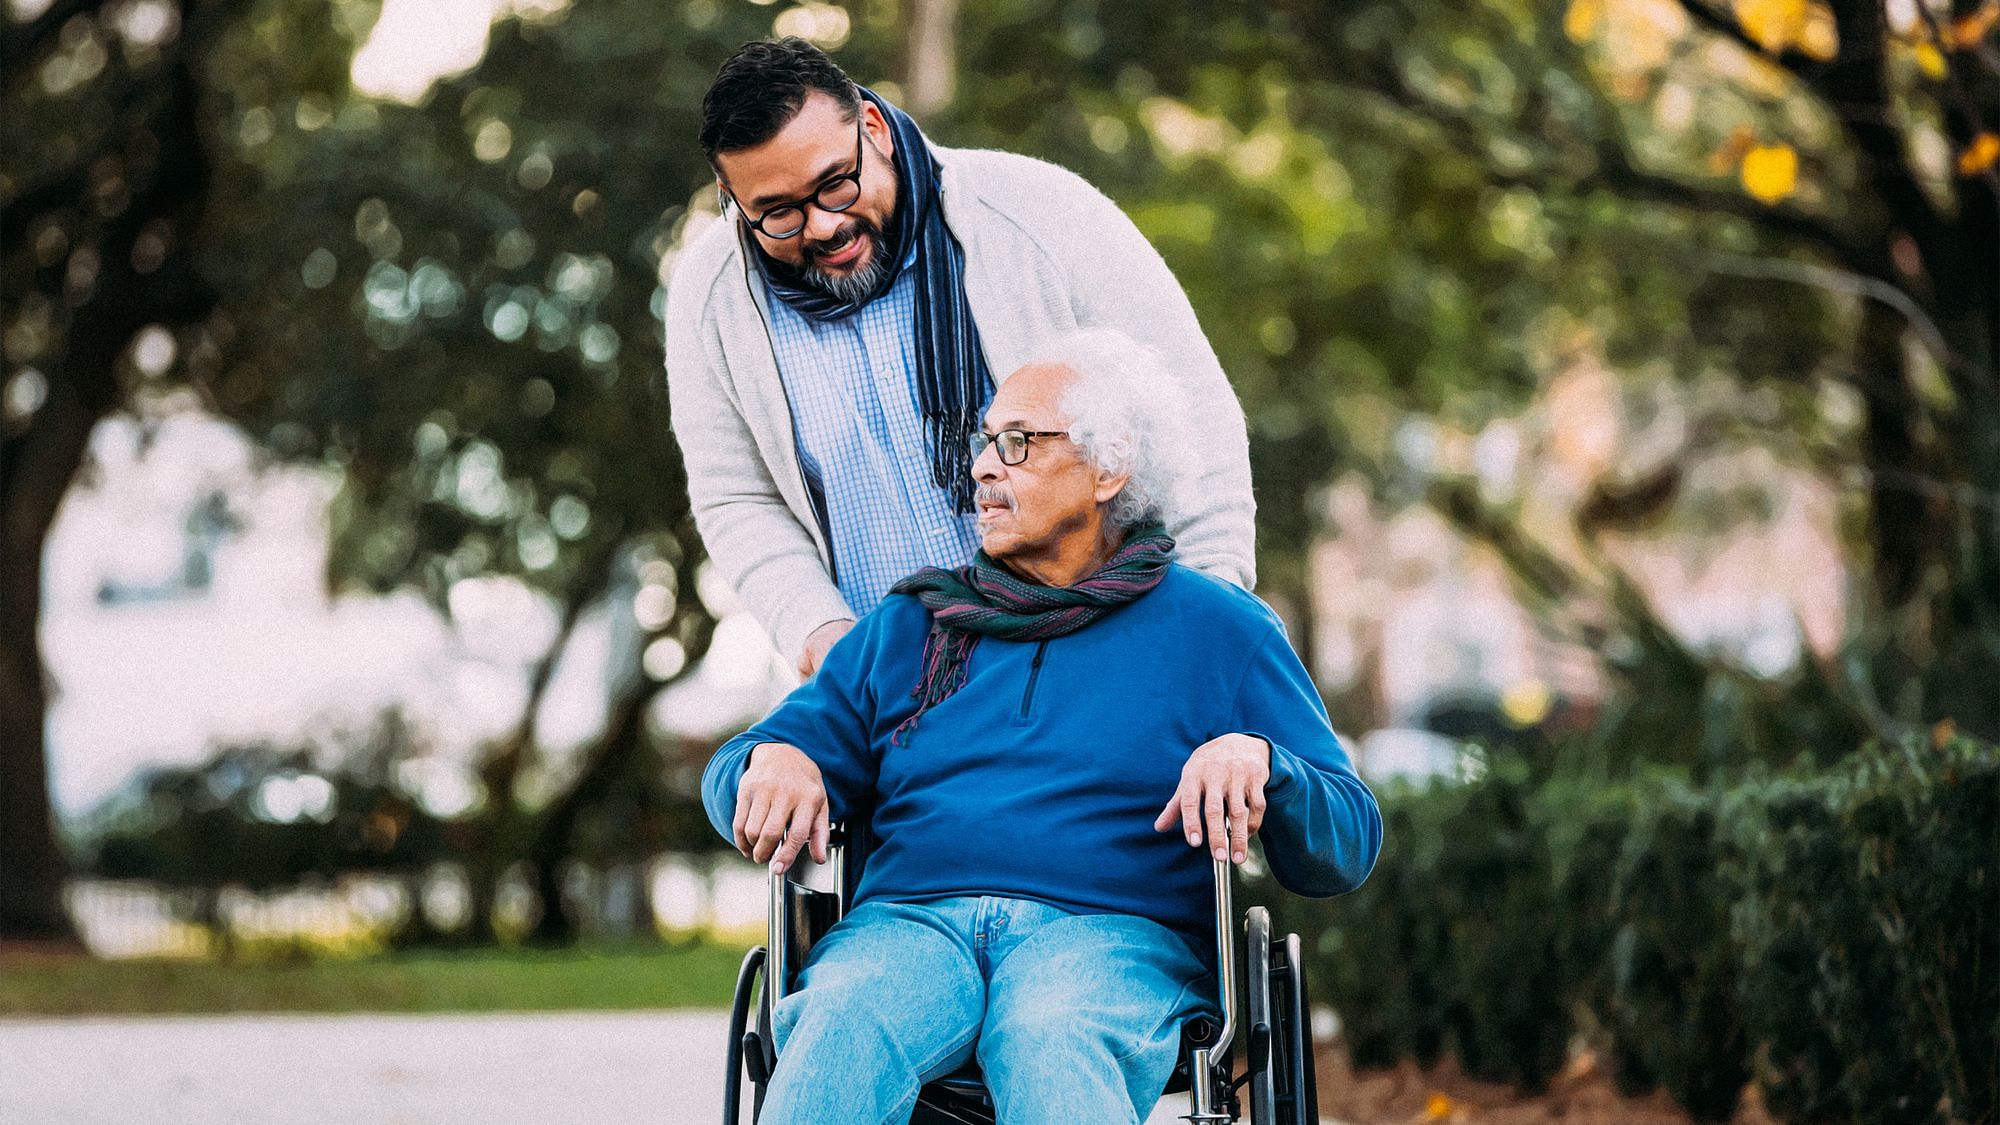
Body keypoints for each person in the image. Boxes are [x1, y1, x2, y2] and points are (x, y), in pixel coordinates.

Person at [701, 330, 1381, 1124]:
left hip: (1110, 939)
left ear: (1109, 466)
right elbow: (737, 770)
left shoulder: (1220, 631)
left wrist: (1264, 761)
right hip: (911, 929)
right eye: (985, 443)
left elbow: (1348, 838)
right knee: (841, 1022)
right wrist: (771, 759)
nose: (984, 466)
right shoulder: (912, 624)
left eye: (1017, 443)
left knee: (1050, 1034)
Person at [666, 37, 1256, 678]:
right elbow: (738, 500)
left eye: (836, 184)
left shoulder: (1043, 213)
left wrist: (1204, 640)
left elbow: (1193, 427)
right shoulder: (711, 299)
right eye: (777, 212)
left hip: (1101, 675)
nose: (821, 226)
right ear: (730, 195)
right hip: (897, 712)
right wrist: (822, 636)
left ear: (873, 128)